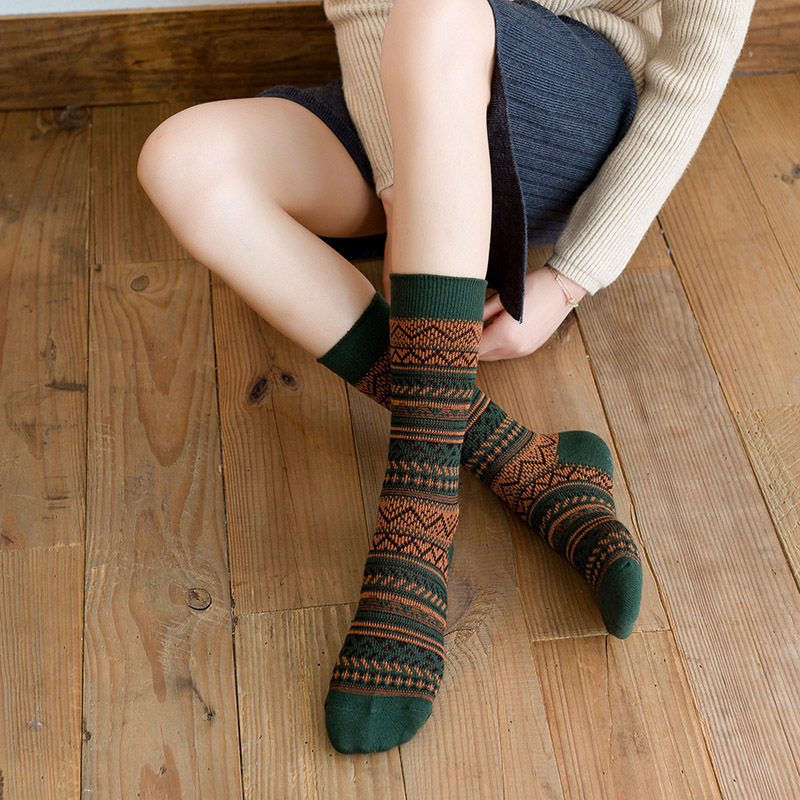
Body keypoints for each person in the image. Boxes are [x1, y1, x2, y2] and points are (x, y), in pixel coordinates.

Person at [138, 0, 755, 755]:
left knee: (437, 11)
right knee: (183, 160)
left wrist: (572, 278)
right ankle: (520, 459)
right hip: (402, 84)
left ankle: (414, 532)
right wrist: (400, 184)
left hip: (567, 102)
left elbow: (692, 72)